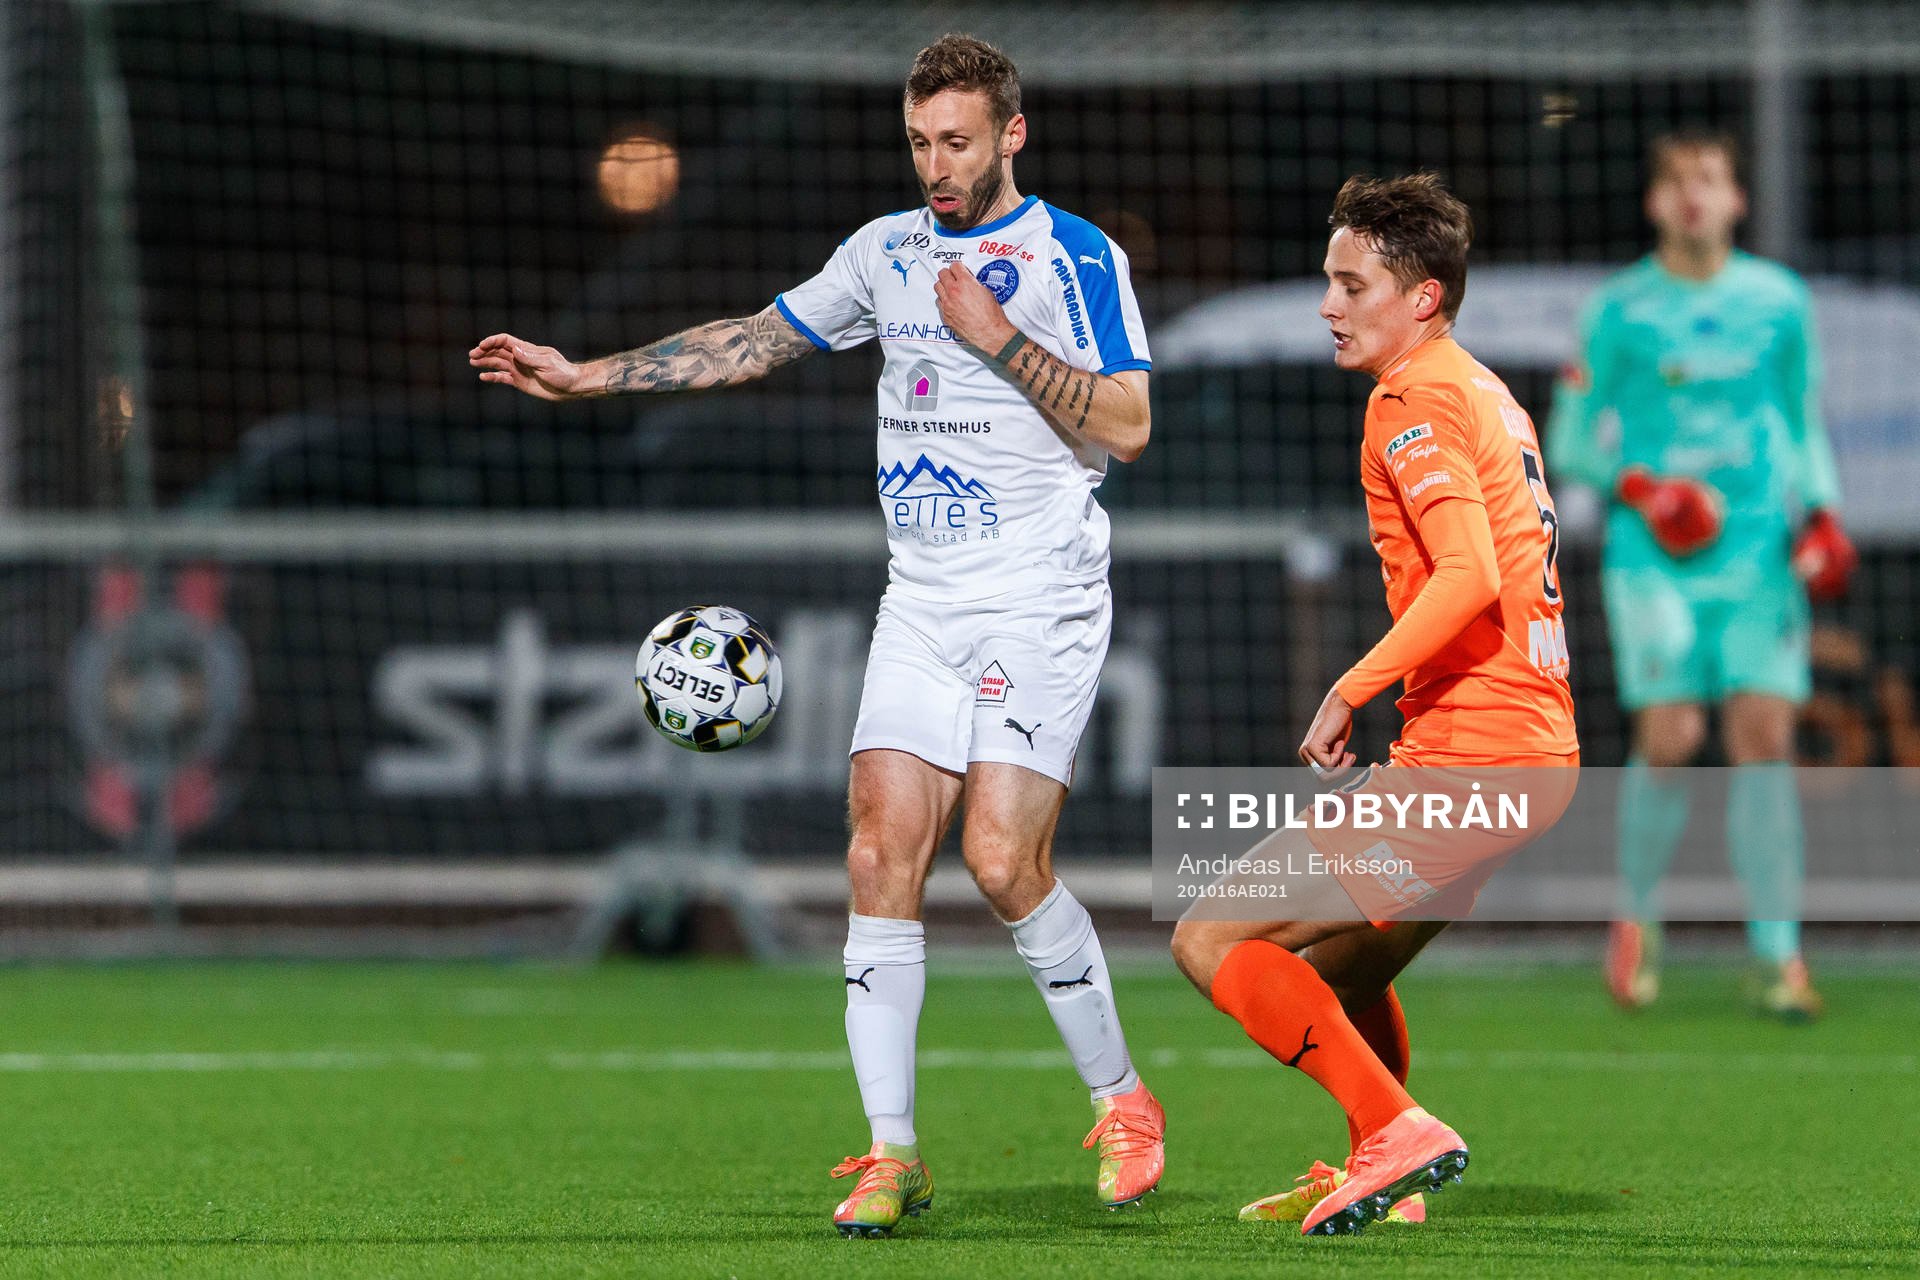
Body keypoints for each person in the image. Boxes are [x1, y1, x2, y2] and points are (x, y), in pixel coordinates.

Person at [469, 34, 1164, 1237]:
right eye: (918, 143)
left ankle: (1122, 1099)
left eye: (956, 141)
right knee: (876, 851)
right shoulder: (885, 253)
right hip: (922, 598)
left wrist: (998, 339)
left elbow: (1130, 423)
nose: (936, 165)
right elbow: (755, 337)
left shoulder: (1072, 255)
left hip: (1041, 595)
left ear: (1012, 134)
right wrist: (586, 376)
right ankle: (893, 1150)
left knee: (1001, 863)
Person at [1169, 173, 1579, 1236]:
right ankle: (1380, 1155)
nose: (1329, 305)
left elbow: (1467, 574)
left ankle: (1395, 1129)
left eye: (1353, 284)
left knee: (1212, 937)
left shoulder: (1412, 396)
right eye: (1328, 282)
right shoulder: (1486, 387)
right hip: (1531, 753)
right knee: (1343, 972)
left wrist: (1351, 686)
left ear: (1424, 296)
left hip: (1473, 756)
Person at [1547, 129, 1855, 1021]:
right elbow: (1569, 441)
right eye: (1677, 182)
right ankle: (1637, 920)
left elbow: (1802, 419)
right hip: (1656, 560)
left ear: (1736, 200)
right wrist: (1643, 487)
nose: (1694, 196)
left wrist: (1826, 514)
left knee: (1762, 739)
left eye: (1710, 179)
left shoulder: (1778, 300)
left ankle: (1778, 958)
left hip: (1759, 556)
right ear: (1653, 203)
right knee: (1674, 738)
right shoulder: (1618, 309)